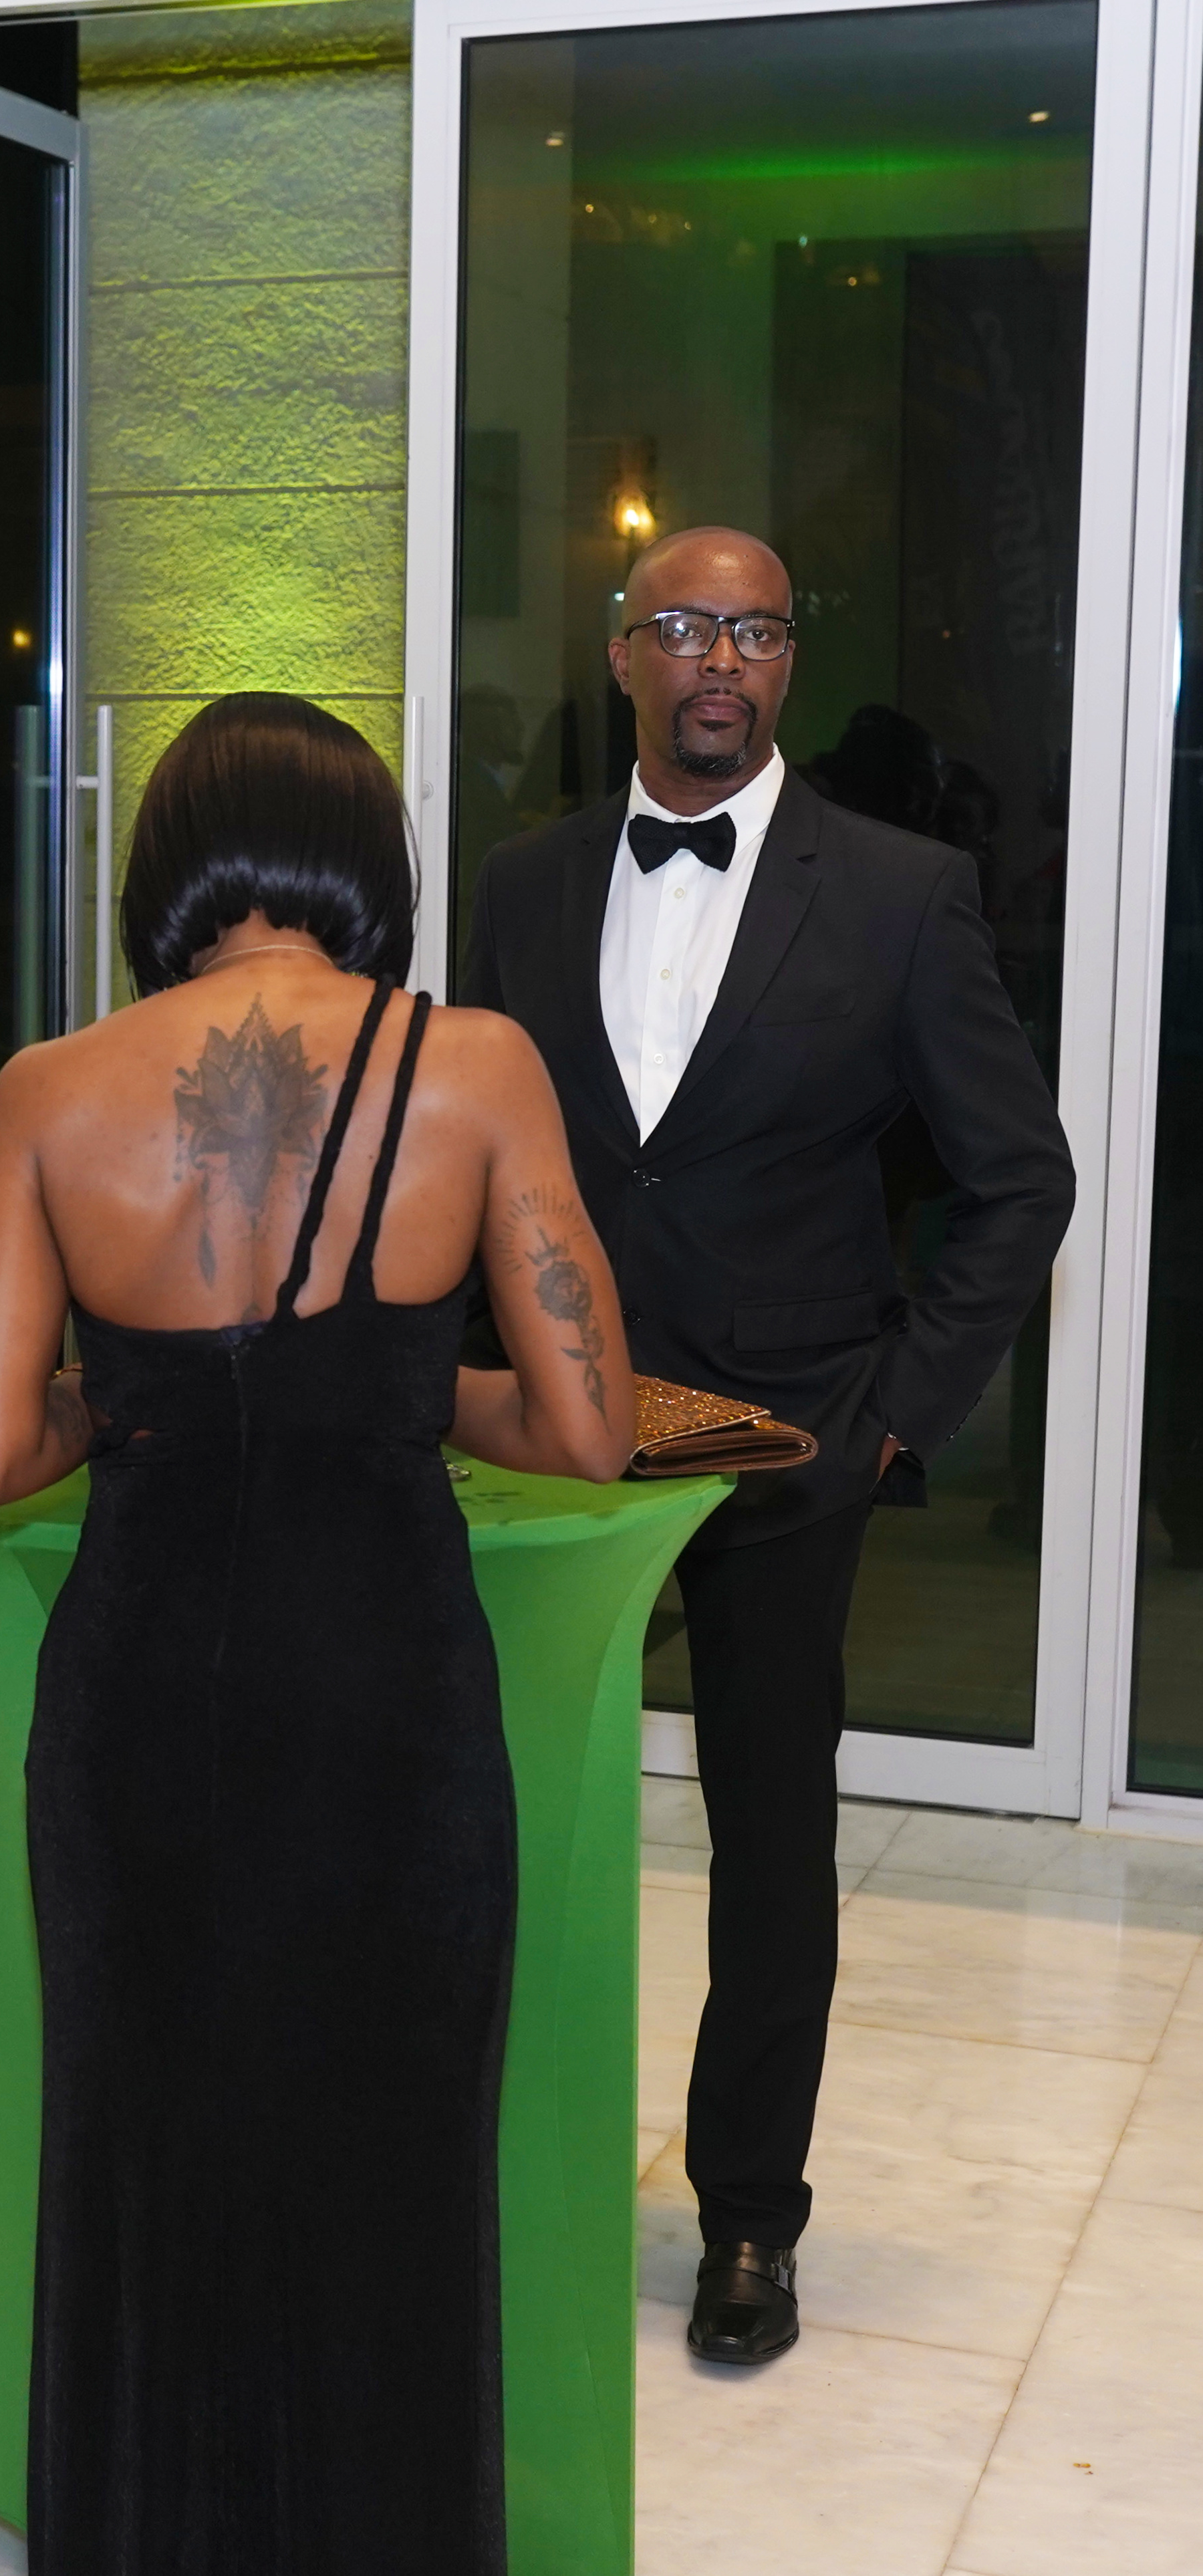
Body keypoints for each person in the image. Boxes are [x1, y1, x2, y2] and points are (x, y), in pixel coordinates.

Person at [0, 691, 636, 2571]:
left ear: (165, 868)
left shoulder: (46, 1090)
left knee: (143, 2149)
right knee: (388, 2156)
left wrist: (139, 1401)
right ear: (363, 863)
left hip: (140, 1691)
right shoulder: (474, 1067)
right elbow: (585, 1425)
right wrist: (399, 1390)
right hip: (383, 1693)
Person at [458, 527, 1075, 2363]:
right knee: (504, 1823)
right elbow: (472, 1163)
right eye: (682, 626)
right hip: (553, 1442)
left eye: (754, 630)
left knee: (771, 1847)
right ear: (623, 654)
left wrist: (892, 1421)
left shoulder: (898, 893)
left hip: (786, 1449)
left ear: (789, 662)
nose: (718, 657)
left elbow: (1018, 1180)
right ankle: (503, 2177)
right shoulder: (520, 886)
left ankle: (747, 2218)